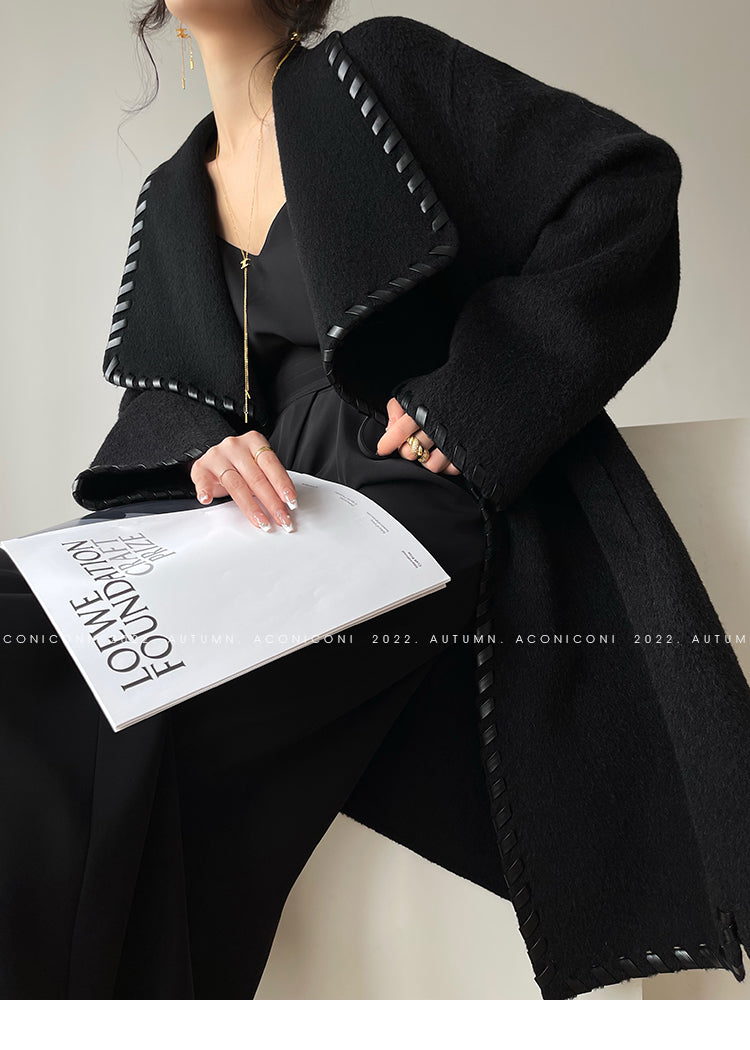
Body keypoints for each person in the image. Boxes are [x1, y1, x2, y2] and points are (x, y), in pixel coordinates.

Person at [3, 2, 750, 1001]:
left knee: (131, 716)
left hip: (404, 489)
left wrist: (476, 401)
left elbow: (623, 189)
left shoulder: (380, 72)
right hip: (259, 517)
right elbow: (161, 406)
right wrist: (203, 449)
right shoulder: (172, 191)